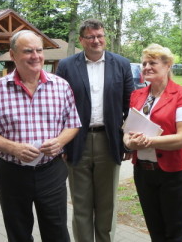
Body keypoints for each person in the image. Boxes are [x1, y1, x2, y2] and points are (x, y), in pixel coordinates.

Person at [0, 30, 81, 242]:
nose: (35, 56)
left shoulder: (61, 86)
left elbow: (73, 124)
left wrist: (59, 141)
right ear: (13, 55)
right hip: (12, 173)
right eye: (28, 51)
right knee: (19, 232)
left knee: (57, 232)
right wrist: (13, 148)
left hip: (51, 171)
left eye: (39, 50)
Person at [55, 19, 134, 242]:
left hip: (109, 141)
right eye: (90, 37)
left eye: (100, 36)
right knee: (81, 204)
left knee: (107, 204)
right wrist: (62, 142)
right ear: (81, 40)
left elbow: (130, 106)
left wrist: (127, 142)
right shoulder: (67, 66)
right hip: (76, 140)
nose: (96, 40)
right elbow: (59, 106)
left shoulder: (121, 64)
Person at [123, 43, 182, 242]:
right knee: (155, 231)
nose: (146, 66)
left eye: (152, 62)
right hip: (144, 172)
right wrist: (129, 143)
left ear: (168, 65)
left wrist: (148, 141)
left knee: (175, 233)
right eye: (144, 63)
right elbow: (127, 132)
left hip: (175, 174)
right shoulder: (137, 95)